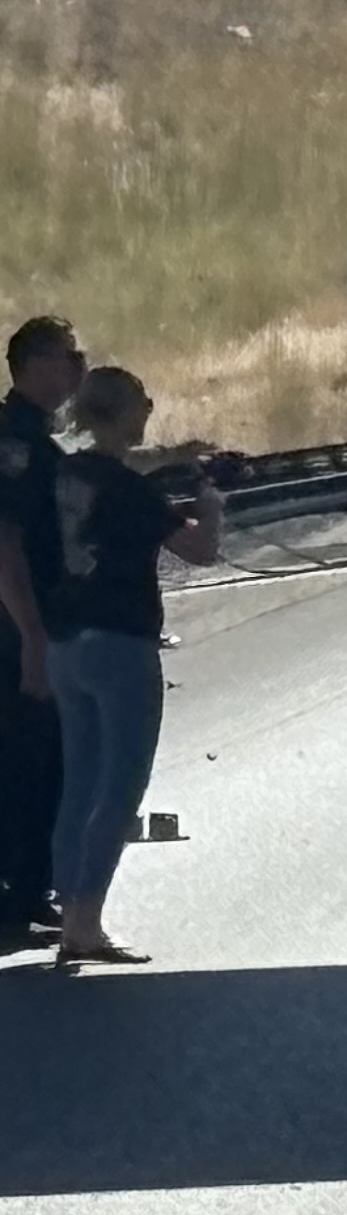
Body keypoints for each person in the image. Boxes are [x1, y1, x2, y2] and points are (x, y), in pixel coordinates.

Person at [40, 364, 219, 968]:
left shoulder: (68, 473)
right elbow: (200, 549)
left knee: (80, 783)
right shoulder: (129, 490)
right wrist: (210, 508)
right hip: (121, 644)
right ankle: (86, 922)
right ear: (121, 412)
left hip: (66, 642)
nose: (149, 410)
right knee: (121, 786)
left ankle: (69, 907)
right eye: (142, 401)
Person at [0, 314, 83, 943]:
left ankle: (31, 890)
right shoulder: (16, 446)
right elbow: (6, 544)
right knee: (25, 760)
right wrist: (30, 634)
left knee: (46, 756)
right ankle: (16, 895)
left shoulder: (38, 439)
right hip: (14, 626)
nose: (78, 367)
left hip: (34, 620)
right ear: (31, 365)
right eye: (66, 356)